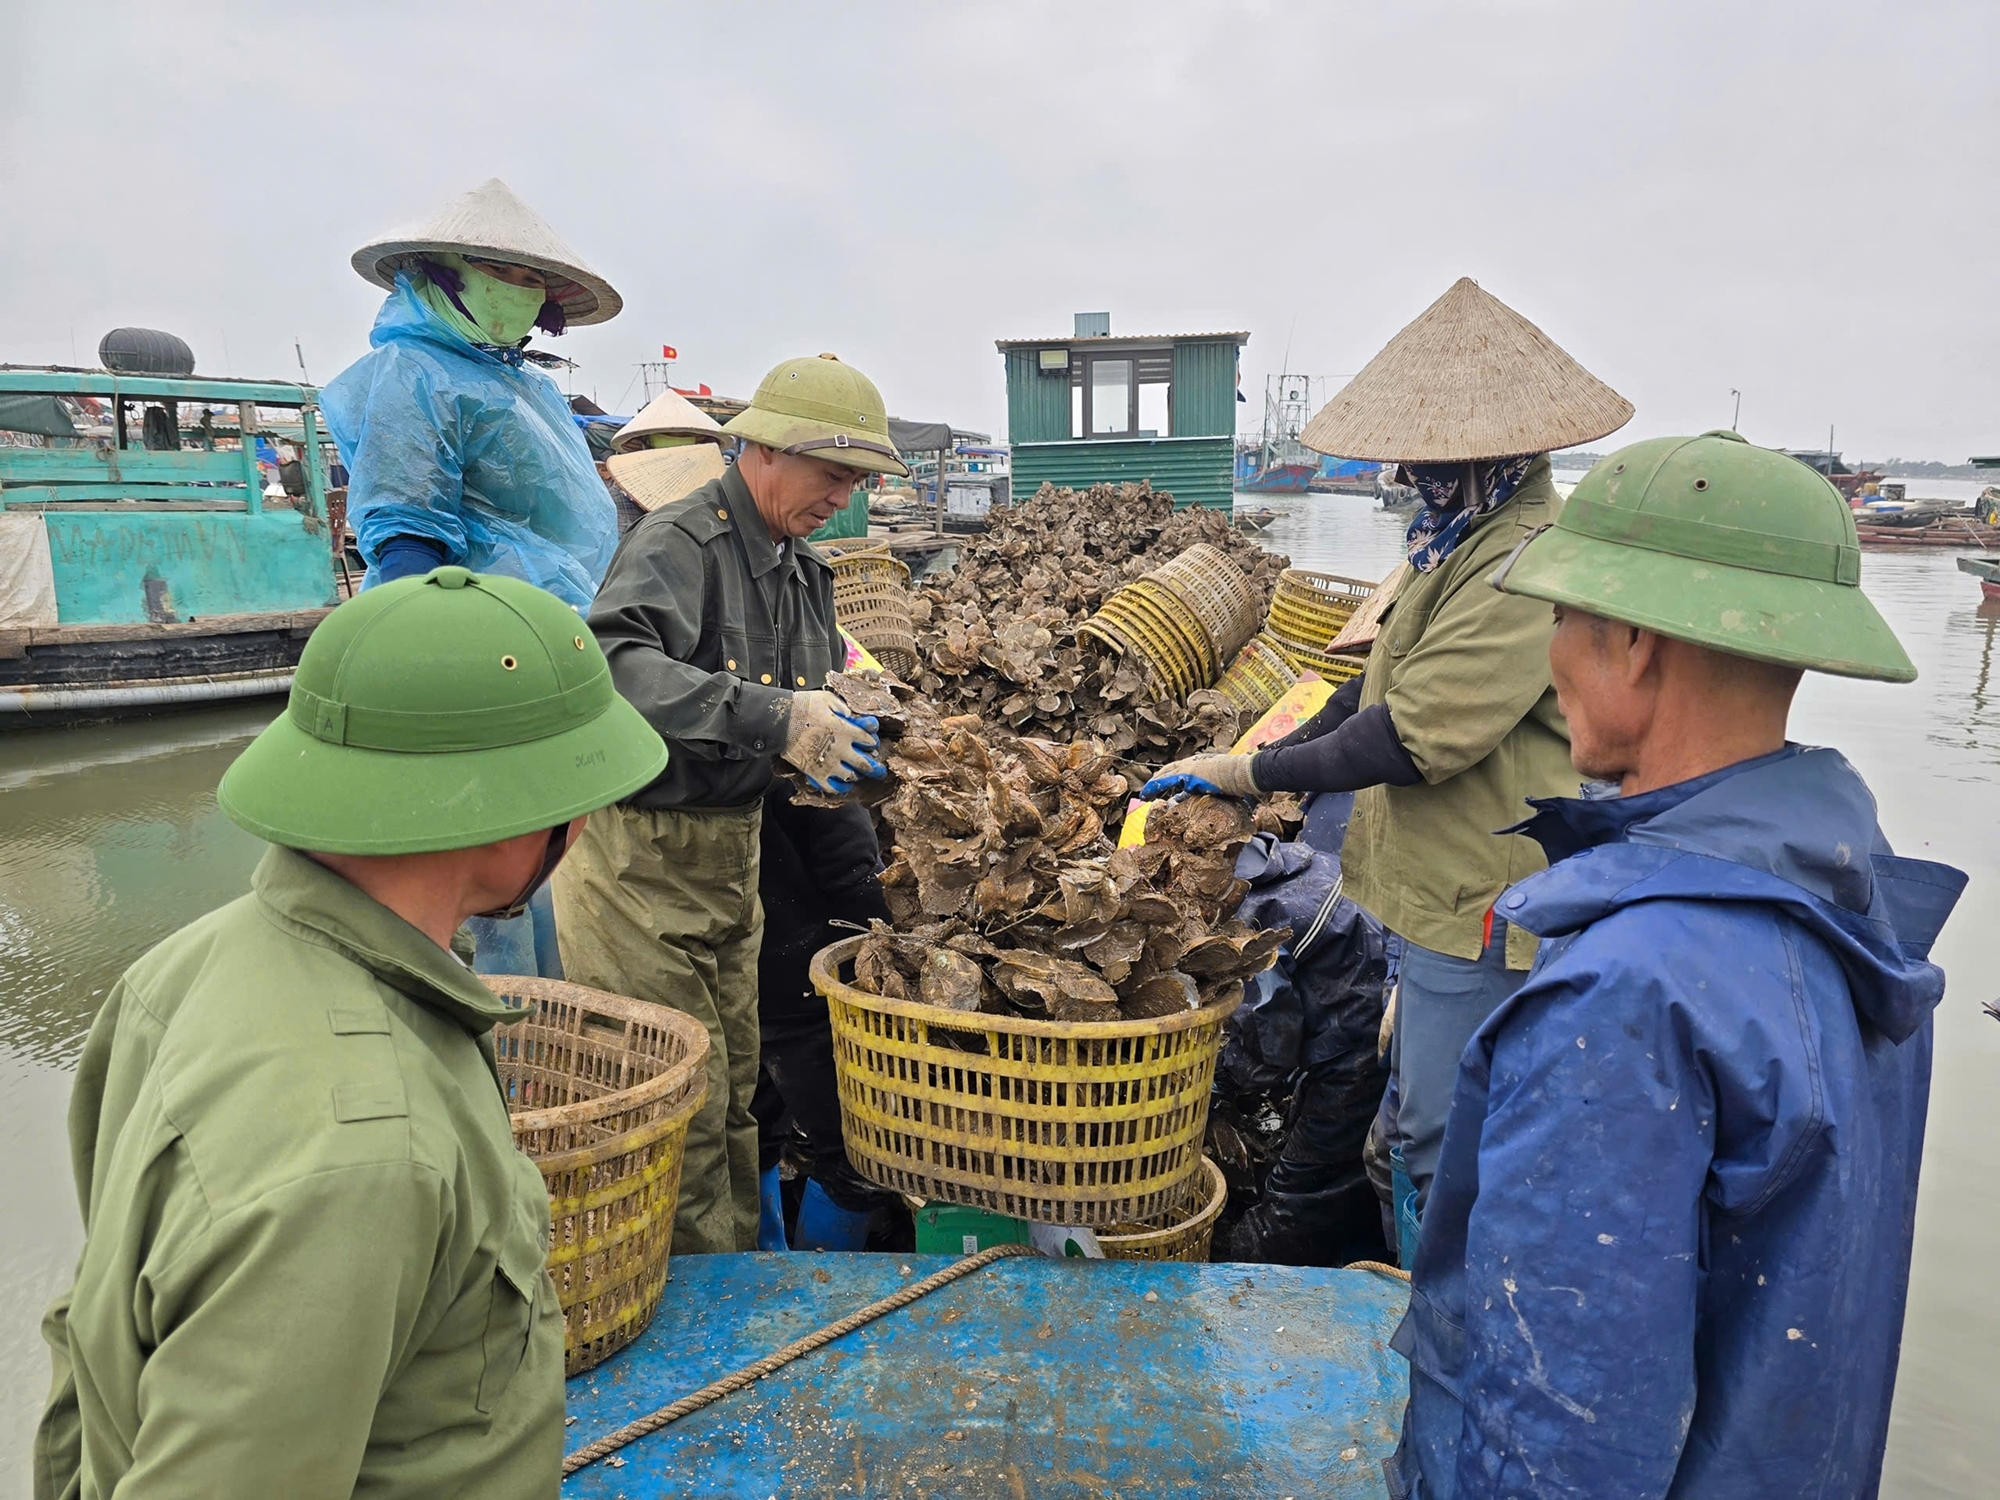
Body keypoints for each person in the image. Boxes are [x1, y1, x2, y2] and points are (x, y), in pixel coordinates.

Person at [1385, 431, 1966, 1498]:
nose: (1549, 652)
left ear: (1633, 645)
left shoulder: (1620, 995)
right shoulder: (1855, 903)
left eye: (1560, 617)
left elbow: (1563, 1435)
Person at [33, 567, 667, 1499]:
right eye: (575, 797)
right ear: (504, 823)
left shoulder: (180, 969)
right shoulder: (367, 1154)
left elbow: (97, 1328)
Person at [1143, 277, 1634, 1223]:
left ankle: (1449, 1349)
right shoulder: (1457, 538)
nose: (1409, 475)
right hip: (1432, 892)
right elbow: (1371, 689)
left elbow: (1411, 737)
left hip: (1488, 901)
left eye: (1425, 459)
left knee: (1443, 1148)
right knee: (1410, 1129)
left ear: (1493, 453)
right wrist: (1250, 755)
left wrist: (1247, 773)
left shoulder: (1521, 560)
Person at [553, 353, 909, 1255]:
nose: (845, 495)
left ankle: (742, 1279)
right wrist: (776, 715)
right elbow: (610, 666)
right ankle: (683, 1306)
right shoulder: (682, 544)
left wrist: (853, 743)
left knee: (740, 1087)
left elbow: (812, 699)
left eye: (858, 479)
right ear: (765, 451)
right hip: (641, 854)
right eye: (834, 474)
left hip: (731, 848)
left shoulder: (802, 571)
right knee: (681, 1096)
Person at [323, 177, 623, 609]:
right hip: (479, 619)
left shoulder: (534, 388)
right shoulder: (415, 371)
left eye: (529, 278)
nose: (513, 287)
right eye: (496, 270)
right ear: (443, 273)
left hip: (563, 616)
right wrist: (419, 621)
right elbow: (409, 525)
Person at [751, 783, 906, 1251]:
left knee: (749, 1134)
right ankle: (823, 1289)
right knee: (856, 1161)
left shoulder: (732, 738)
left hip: (739, 982)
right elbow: (855, 877)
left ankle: (761, 1260)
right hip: (806, 996)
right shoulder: (820, 767)